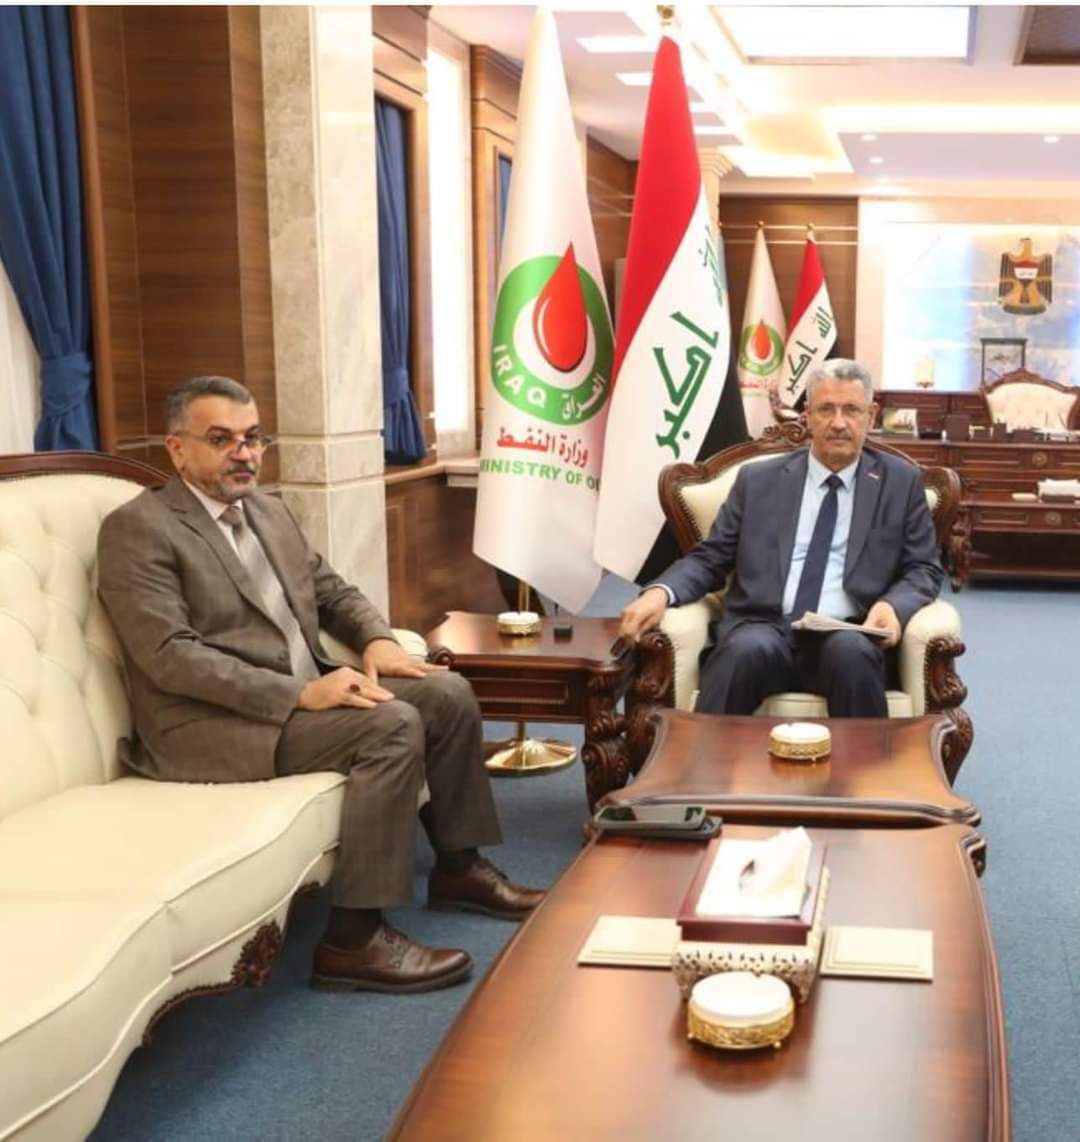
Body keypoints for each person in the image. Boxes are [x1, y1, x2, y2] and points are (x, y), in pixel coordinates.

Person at [97, 375, 543, 995]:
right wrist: (299, 694)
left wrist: (378, 639)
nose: (244, 454)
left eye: (254, 438)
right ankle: (353, 940)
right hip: (207, 726)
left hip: (300, 696)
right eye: (221, 440)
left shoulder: (267, 511)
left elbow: (331, 592)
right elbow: (169, 657)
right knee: (390, 725)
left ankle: (459, 867)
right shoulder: (139, 528)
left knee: (445, 694)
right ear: (177, 449)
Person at [618, 359, 944, 718]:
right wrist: (661, 592)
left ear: (871, 415)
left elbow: (923, 568)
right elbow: (710, 557)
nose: (838, 423)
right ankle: (701, 756)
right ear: (807, 416)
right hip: (763, 626)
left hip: (848, 630)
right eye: (826, 409)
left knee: (852, 655)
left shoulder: (900, 483)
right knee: (743, 652)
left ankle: (865, 759)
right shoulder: (757, 481)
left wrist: (892, 606)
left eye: (851, 410)